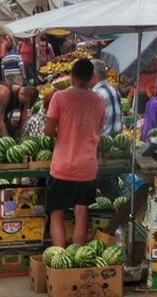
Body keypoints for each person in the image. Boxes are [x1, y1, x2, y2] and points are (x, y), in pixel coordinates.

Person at [45, 58, 105, 248]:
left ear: (72, 75)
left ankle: (59, 255)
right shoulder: (99, 101)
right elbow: (99, 129)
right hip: (87, 166)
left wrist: (60, 133)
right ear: (90, 78)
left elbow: (48, 130)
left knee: (56, 213)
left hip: (62, 166)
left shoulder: (59, 97)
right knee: (81, 213)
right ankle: (77, 258)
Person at [91, 60, 124, 136]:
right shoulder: (113, 89)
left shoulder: (96, 94)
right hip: (115, 138)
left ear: (94, 76)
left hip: (103, 141)